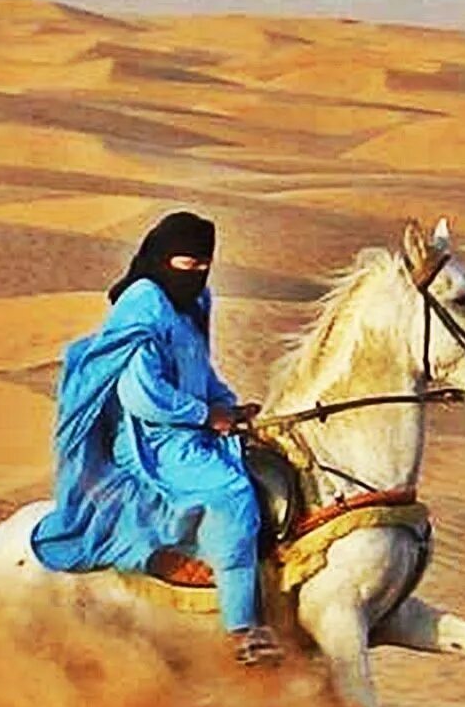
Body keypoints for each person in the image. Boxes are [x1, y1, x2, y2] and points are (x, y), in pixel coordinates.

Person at [31, 210, 283, 667]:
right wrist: (206, 415)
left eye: (205, 266)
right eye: (188, 266)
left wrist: (231, 406)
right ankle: (243, 630)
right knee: (232, 492)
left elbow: (200, 370)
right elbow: (142, 395)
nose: (198, 275)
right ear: (164, 258)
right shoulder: (143, 302)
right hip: (155, 440)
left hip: (193, 429)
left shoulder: (194, 302)